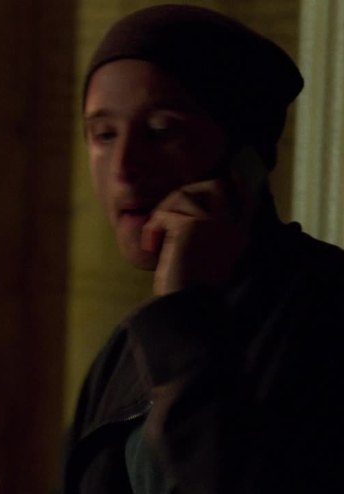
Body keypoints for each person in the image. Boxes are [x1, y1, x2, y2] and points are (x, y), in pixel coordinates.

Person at [61, 5, 344, 493]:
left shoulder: (324, 310)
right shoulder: (128, 347)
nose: (123, 168)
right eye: (103, 135)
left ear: (245, 157)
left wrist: (184, 324)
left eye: (161, 130)